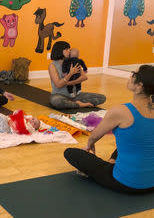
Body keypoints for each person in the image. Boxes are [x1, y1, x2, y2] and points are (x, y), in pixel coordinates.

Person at [64, 65, 154, 193]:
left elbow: (95, 135)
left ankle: (106, 167)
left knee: (71, 153)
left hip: (126, 183)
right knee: (135, 143)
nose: (130, 76)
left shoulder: (120, 111)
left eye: (133, 74)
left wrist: (89, 145)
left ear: (139, 86)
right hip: (152, 183)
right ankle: (113, 161)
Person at [48, 41, 105, 109]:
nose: (69, 51)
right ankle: (80, 104)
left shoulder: (73, 62)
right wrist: (70, 73)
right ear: (60, 51)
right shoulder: (52, 65)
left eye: (69, 49)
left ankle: (73, 103)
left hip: (75, 95)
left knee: (102, 98)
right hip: (59, 95)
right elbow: (58, 85)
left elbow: (84, 77)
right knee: (57, 101)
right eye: (66, 49)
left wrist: (70, 83)